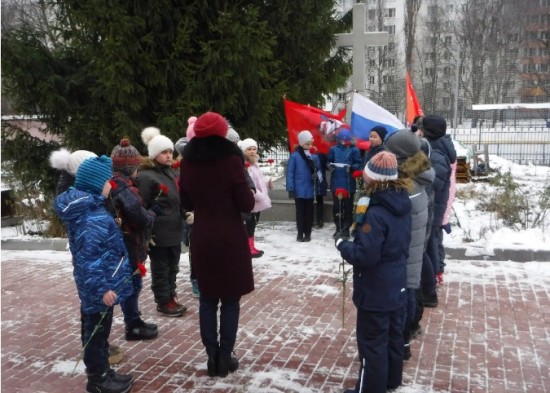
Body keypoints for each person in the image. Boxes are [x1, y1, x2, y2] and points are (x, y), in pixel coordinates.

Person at [179, 111, 255, 378]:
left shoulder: (187, 161)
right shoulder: (232, 159)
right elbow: (246, 203)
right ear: (223, 132)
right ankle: (225, 356)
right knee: (231, 301)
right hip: (230, 237)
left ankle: (212, 356)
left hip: (203, 236)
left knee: (208, 300)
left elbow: (185, 202)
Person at [54, 156, 135, 393]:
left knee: (100, 331)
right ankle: (97, 379)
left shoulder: (93, 208)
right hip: (98, 288)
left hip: (99, 284)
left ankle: (103, 372)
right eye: (107, 181)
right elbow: (88, 260)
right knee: (96, 333)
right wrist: (102, 289)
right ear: (95, 184)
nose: (111, 185)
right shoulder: (90, 217)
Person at [335, 151, 412, 393]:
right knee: (392, 336)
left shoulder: (375, 213)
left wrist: (342, 245)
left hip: (376, 290)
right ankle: (390, 380)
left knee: (372, 344)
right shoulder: (401, 204)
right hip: (397, 284)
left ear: (373, 179)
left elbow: (365, 255)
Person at [385, 129, 434, 361]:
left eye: (389, 150)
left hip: (404, 250)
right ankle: (404, 339)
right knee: (410, 292)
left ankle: (402, 344)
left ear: (400, 154)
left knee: (404, 298)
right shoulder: (417, 173)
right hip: (414, 246)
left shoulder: (405, 184)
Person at [109, 138, 158, 340]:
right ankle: (133, 324)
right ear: (130, 168)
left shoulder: (113, 184)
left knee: (130, 283)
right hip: (130, 245)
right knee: (132, 284)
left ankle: (134, 320)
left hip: (122, 245)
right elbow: (140, 219)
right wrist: (153, 213)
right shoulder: (125, 189)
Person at [136, 127, 187, 317]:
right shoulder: (146, 176)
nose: (168, 155)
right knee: (161, 267)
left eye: (170, 152)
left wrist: (184, 213)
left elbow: (176, 197)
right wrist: (147, 231)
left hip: (174, 228)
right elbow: (142, 205)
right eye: (164, 152)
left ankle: (171, 296)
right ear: (154, 154)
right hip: (159, 231)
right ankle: (163, 301)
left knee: (173, 266)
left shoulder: (171, 172)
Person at [416, 115, 454, 307]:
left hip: (431, 209)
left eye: (421, 129)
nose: (418, 132)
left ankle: (429, 293)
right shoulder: (432, 150)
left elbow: (431, 185)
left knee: (427, 250)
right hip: (430, 207)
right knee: (427, 249)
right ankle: (427, 289)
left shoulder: (435, 155)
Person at [238, 138, 273, 258]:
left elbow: (259, 180)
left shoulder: (254, 164)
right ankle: (248, 247)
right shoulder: (245, 166)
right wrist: (259, 195)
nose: (252, 152)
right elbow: (249, 184)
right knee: (250, 224)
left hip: (258, 200)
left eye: (254, 149)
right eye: (249, 149)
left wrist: (267, 182)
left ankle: (251, 245)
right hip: (252, 200)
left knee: (254, 223)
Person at [286, 130, 321, 242]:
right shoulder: (295, 156)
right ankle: (300, 233)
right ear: (301, 143)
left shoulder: (314, 157)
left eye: (310, 143)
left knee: (309, 212)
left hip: (310, 189)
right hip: (298, 189)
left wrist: (317, 177)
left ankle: (308, 233)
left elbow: (319, 170)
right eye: (307, 144)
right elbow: (290, 173)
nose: (309, 146)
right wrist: (291, 188)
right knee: (300, 212)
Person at [327, 129, 362, 239]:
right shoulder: (333, 149)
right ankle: (338, 228)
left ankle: (346, 229)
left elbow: (358, 163)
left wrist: (351, 167)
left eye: (345, 140)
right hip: (336, 182)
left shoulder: (354, 150)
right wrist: (330, 166)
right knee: (337, 207)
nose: (343, 142)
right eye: (341, 140)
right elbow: (328, 161)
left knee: (348, 207)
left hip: (348, 182)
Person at [313, 148, 328, 229]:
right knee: (309, 202)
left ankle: (320, 221)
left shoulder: (322, 154)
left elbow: (326, 165)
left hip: (320, 181)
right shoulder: (305, 153)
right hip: (309, 181)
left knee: (320, 201)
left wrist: (329, 165)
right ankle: (310, 220)